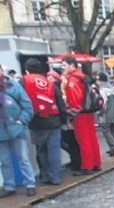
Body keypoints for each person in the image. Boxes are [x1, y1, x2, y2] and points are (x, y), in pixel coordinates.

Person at [22, 58, 67, 186]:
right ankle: (56, 177)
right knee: (54, 150)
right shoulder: (50, 83)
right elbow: (60, 103)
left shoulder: (23, 81)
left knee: (41, 150)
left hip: (36, 122)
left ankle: (45, 176)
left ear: (27, 70)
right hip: (54, 121)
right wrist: (63, 119)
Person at [0, 64, 37, 198]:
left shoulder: (13, 86)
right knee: (4, 161)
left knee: (23, 158)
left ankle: (30, 184)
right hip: (1, 132)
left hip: (16, 129)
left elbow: (27, 106)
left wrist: (22, 120)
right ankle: (9, 186)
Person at [61, 56, 102, 175]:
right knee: (92, 138)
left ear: (71, 65)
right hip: (88, 111)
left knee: (83, 140)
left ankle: (87, 166)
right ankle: (96, 163)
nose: (63, 68)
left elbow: (75, 98)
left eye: (64, 65)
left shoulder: (73, 79)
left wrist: (70, 111)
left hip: (80, 113)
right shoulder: (83, 77)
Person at [96, 72, 114, 157]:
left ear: (101, 81)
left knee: (106, 131)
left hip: (106, 115)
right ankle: (113, 148)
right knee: (113, 131)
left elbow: (103, 104)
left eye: (98, 80)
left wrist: (99, 113)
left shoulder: (103, 90)